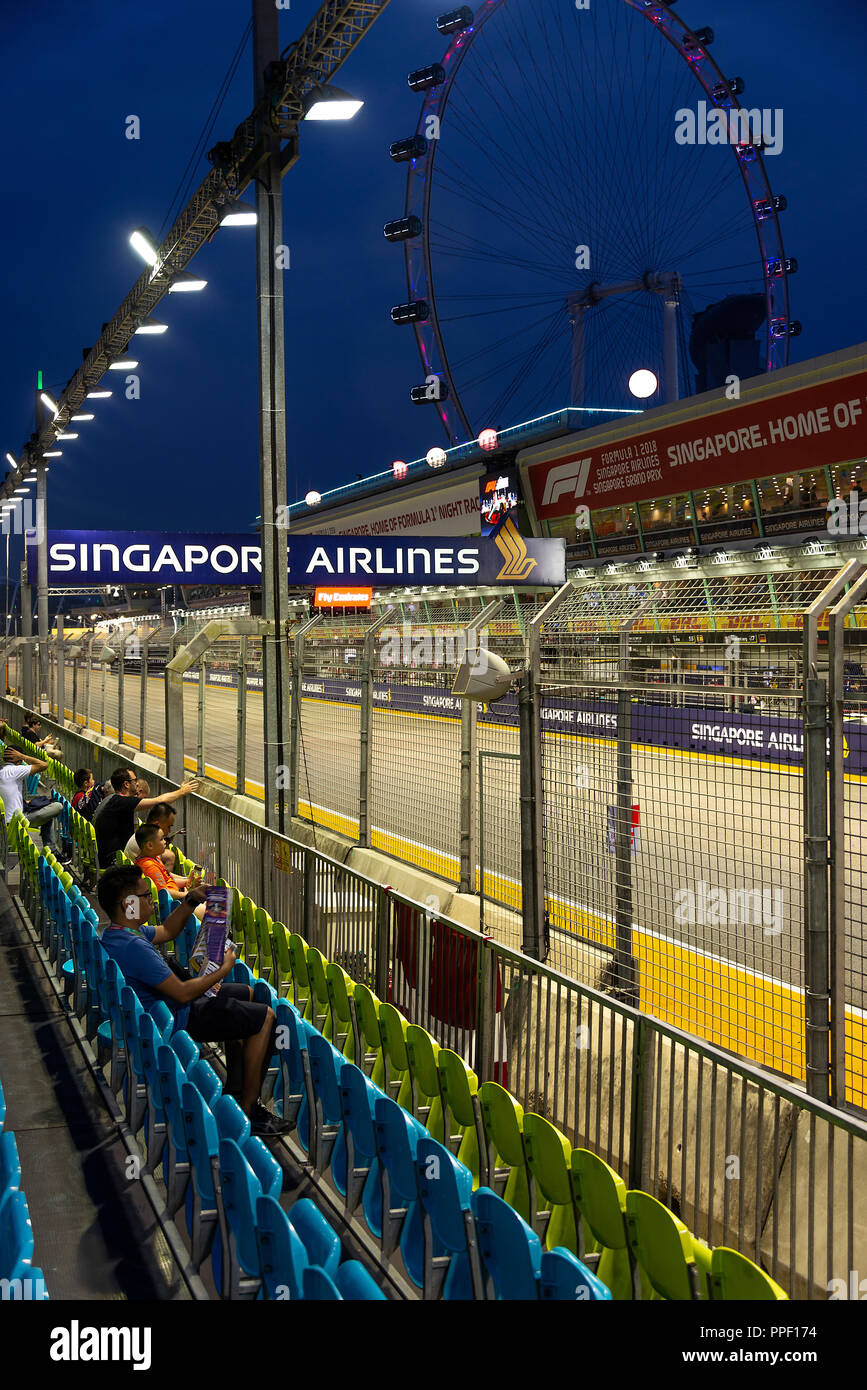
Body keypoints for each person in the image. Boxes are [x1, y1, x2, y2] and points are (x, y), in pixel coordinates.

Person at [96, 866, 286, 1136]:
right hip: (179, 1017)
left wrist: (191, 899)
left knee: (248, 994)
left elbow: (168, 930)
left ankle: (233, 1089)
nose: (151, 899)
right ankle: (247, 1111)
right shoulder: (134, 947)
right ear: (128, 905)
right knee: (266, 1017)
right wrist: (223, 968)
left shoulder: (120, 934)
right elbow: (183, 993)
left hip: (169, 1009)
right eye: (145, 895)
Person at [93, 768, 199, 869]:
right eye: (135, 781)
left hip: (109, 855)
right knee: (164, 856)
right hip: (112, 860)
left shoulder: (114, 800)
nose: (137, 784)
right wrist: (181, 792)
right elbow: (159, 801)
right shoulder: (123, 802)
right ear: (126, 784)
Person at [0, 747, 66, 855]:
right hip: (16, 823)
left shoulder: (3, 772)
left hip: (9, 822)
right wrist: (23, 756)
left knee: (46, 814)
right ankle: (52, 850)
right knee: (57, 806)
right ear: (19, 761)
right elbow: (44, 765)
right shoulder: (14, 771)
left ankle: (51, 849)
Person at [133, 823, 202, 908]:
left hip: (177, 899)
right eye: (161, 839)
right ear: (150, 845)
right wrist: (188, 895)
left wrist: (186, 882)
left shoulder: (153, 859)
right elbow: (164, 893)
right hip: (174, 906)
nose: (165, 841)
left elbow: (166, 882)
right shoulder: (150, 866)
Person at [124, 800, 181, 873]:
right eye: (169, 827)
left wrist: (186, 880)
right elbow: (164, 878)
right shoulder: (144, 850)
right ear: (157, 825)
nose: (169, 831)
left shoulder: (145, 836)